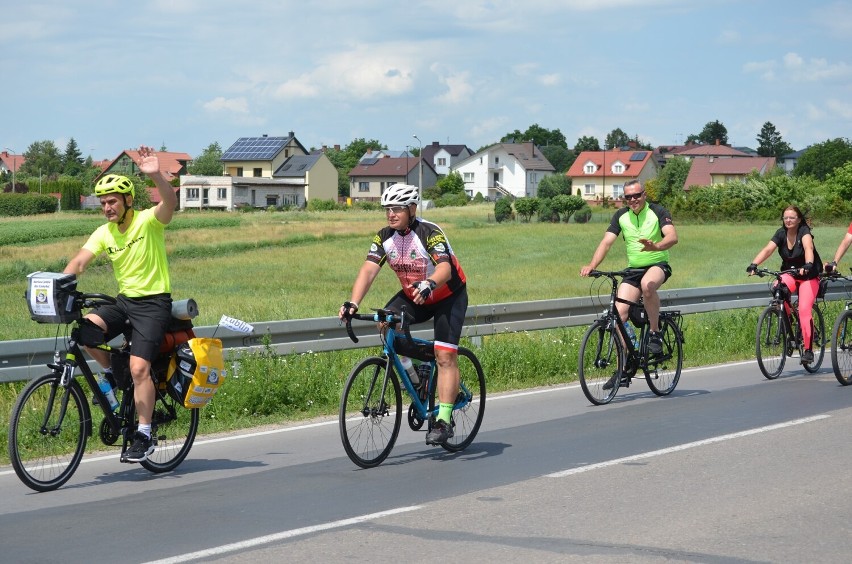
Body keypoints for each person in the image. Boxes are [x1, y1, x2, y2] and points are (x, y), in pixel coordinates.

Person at [64, 146, 177, 463]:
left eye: (112, 201)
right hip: (125, 302)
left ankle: (144, 434)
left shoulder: (148, 222)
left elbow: (170, 203)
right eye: (102, 203)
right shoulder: (104, 232)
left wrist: (155, 174)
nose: (107, 207)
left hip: (154, 304)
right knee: (85, 331)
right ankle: (113, 374)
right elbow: (80, 261)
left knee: (139, 367)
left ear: (128, 201)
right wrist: (57, 285)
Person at [338, 183, 468, 445]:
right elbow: (368, 270)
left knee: (444, 355)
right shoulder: (384, 236)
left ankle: (443, 420)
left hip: (447, 296)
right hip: (414, 296)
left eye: (397, 208)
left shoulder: (430, 233)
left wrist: (430, 283)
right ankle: (417, 379)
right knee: (385, 324)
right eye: (387, 209)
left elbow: (445, 268)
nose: (391, 214)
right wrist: (353, 303)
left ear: (411, 209)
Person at [580, 179, 678, 388]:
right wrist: (592, 265)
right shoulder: (621, 216)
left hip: (657, 264)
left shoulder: (658, 211)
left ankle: (654, 333)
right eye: (628, 197)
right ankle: (624, 366)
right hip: (633, 270)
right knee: (617, 315)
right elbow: (606, 242)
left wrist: (656, 246)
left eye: (637, 195)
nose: (633, 200)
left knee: (648, 286)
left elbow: (672, 237)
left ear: (644, 195)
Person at [746, 205, 823, 364]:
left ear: (799, 219)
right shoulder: (781, 233)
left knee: (804, 309)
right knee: (777, 289)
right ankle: (788, 319)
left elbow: (809, 248)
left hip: (808, 275)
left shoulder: (804, 233)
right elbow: (768, 249)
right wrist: (754, 264)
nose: (788, 220)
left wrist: (808, 264)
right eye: (786, 218)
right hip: (790, 273)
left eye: (792, 218)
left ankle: (808, 350)